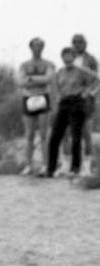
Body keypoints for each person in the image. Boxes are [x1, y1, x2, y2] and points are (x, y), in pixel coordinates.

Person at [47, 46, 98, 177]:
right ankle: (50, 169)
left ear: (74, 57)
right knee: (55, 136)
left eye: (69, 56)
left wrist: (89, 93)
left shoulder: (81, 70)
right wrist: (58, 97)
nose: (67, 58)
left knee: (76, 136)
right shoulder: (60, 72)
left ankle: (75, 168)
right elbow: (57, 86)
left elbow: (97, 80)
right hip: (64, 102)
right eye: (64, 56)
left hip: (77, 102)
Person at [18, 36, 55, 176]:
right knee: (29, 134)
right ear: (31, 47)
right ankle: (28, 165)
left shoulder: (48, 64)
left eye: (40, 45)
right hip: (28, 98)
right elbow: (21, 82)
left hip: (43, 98)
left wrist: (31, 78)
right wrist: (39, 80)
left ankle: (45, 165)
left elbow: (49, 79)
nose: (38, 48)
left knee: (44, 134)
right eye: (35, 45)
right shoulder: (24, 65)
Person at [71, 33, 98, 175]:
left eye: (80, 42)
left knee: (87, 132)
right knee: (72, 133)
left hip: (86, 99)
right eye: (75, 42)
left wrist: (90, 92)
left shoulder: (91, 59)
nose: (77, 44)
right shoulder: (69, 58)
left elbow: (96, 78)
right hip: (71, 98)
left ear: (85, 43)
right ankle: (73, 165)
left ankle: (87, 165)